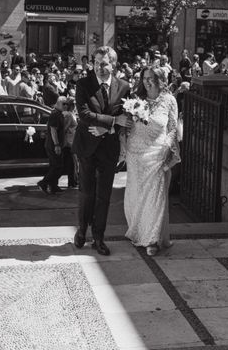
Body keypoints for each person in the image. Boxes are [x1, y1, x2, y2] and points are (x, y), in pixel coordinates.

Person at [72, 46, 132, 256]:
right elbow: (84, 114)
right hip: (87, 147)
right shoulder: (83, 84)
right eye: (96, 63)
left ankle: (99, 237)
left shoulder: (124, 87)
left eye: (104, 63)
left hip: (109, 148)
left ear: (113, 64)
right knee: (87, 193)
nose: (99, 67)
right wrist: (112, 122)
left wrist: (107, 128)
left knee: (104, 196)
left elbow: (128, 117)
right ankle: (81, 230)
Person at [123, 66, 180, 256]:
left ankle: (152, 239)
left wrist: (166, 147)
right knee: (137, 194)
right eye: (145, 78)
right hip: (135, 152)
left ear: (161, 80)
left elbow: (172, 128)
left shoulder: (169, 100)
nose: (147, 81)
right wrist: (128, 121)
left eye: (151, 78)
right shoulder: (136, 99)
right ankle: (138, 231)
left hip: (157, 152)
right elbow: (127, 124)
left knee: (155, 197)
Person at [37, 96, 68, 195]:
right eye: (64, 104)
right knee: (57, 166)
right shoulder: (55, 114)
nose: (66, 106)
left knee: (55, 166)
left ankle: (53, 186)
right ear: (58, 104)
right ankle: (43, 183)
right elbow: (53, 130)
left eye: (66, 104)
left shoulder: (59, 114)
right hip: (53, 145)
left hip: (55, 144)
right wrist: (57, 145)